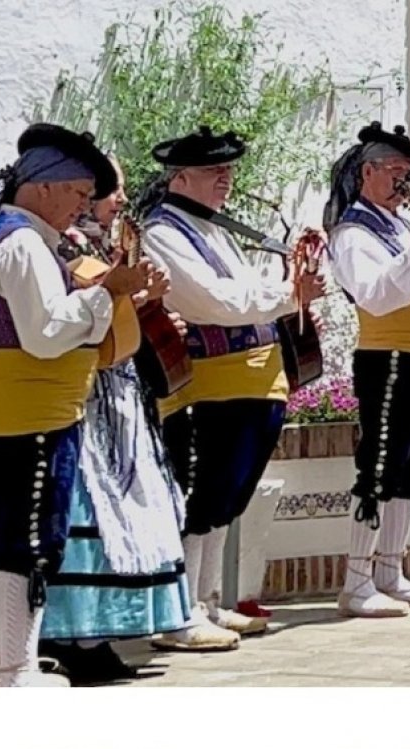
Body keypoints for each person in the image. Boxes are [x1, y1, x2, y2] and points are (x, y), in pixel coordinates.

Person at [0, 124, 158, 685]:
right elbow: (47, 334)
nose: (83, 206)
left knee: (6, 541)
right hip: (32, 415)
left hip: (0, 411)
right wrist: (109, 293)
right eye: (77, 193)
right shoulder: (23, 242)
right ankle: (17, 673)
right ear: (44, 187)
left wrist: (110, 295)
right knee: (31, 541)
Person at [141, 127, 327, 646]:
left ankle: (208, 601)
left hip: (250, 378)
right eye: (211, 171)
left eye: (227, 170)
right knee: (205, 493)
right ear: (179, 178)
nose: (225, 179)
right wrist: (288, 293)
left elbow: (243, 291)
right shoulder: (163, 234)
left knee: (229, 495)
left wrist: (288, 291)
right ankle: (182, 611)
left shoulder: (211, 229)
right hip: (211, 383)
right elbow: (214, 302)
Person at [325, 122, 410, 616]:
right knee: (380, 462)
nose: (406, 184)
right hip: (390, 356)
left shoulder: (400, 223)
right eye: (397, 172)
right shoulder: (353, 233)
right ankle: (356, 580)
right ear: (367, 173)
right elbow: (380, 297)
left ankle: (391, 570)